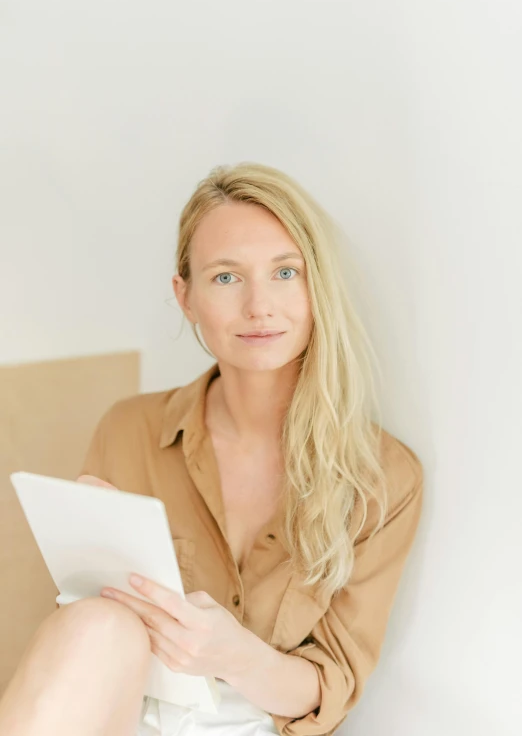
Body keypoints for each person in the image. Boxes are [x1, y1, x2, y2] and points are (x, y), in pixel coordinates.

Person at [0, 161, 424, 736]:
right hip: (119, 710)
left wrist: (231, 654)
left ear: (316, 284)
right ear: (186, 296)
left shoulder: (382, 476)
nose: (258, 306)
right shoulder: (128, 429)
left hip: (252, 723)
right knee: (95, 623)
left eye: (285, 272)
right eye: (226, 277)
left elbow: (330, 687)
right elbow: (82, 641)